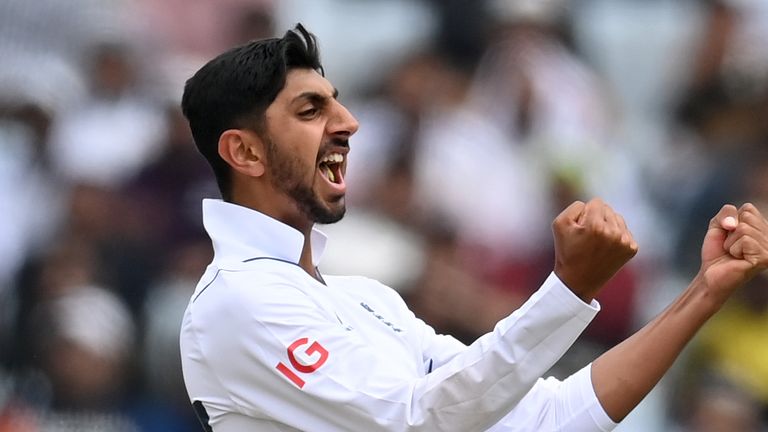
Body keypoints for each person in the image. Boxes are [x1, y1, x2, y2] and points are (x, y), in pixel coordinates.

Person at [178, 24, 768, 431]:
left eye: (337, 102)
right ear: (245, 153)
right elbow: (418, 422)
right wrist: (566, 291)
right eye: (311, 111)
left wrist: (704, 291)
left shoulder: (364, 298)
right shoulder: (237, 300)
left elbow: (552, 416)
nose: (349, 123)